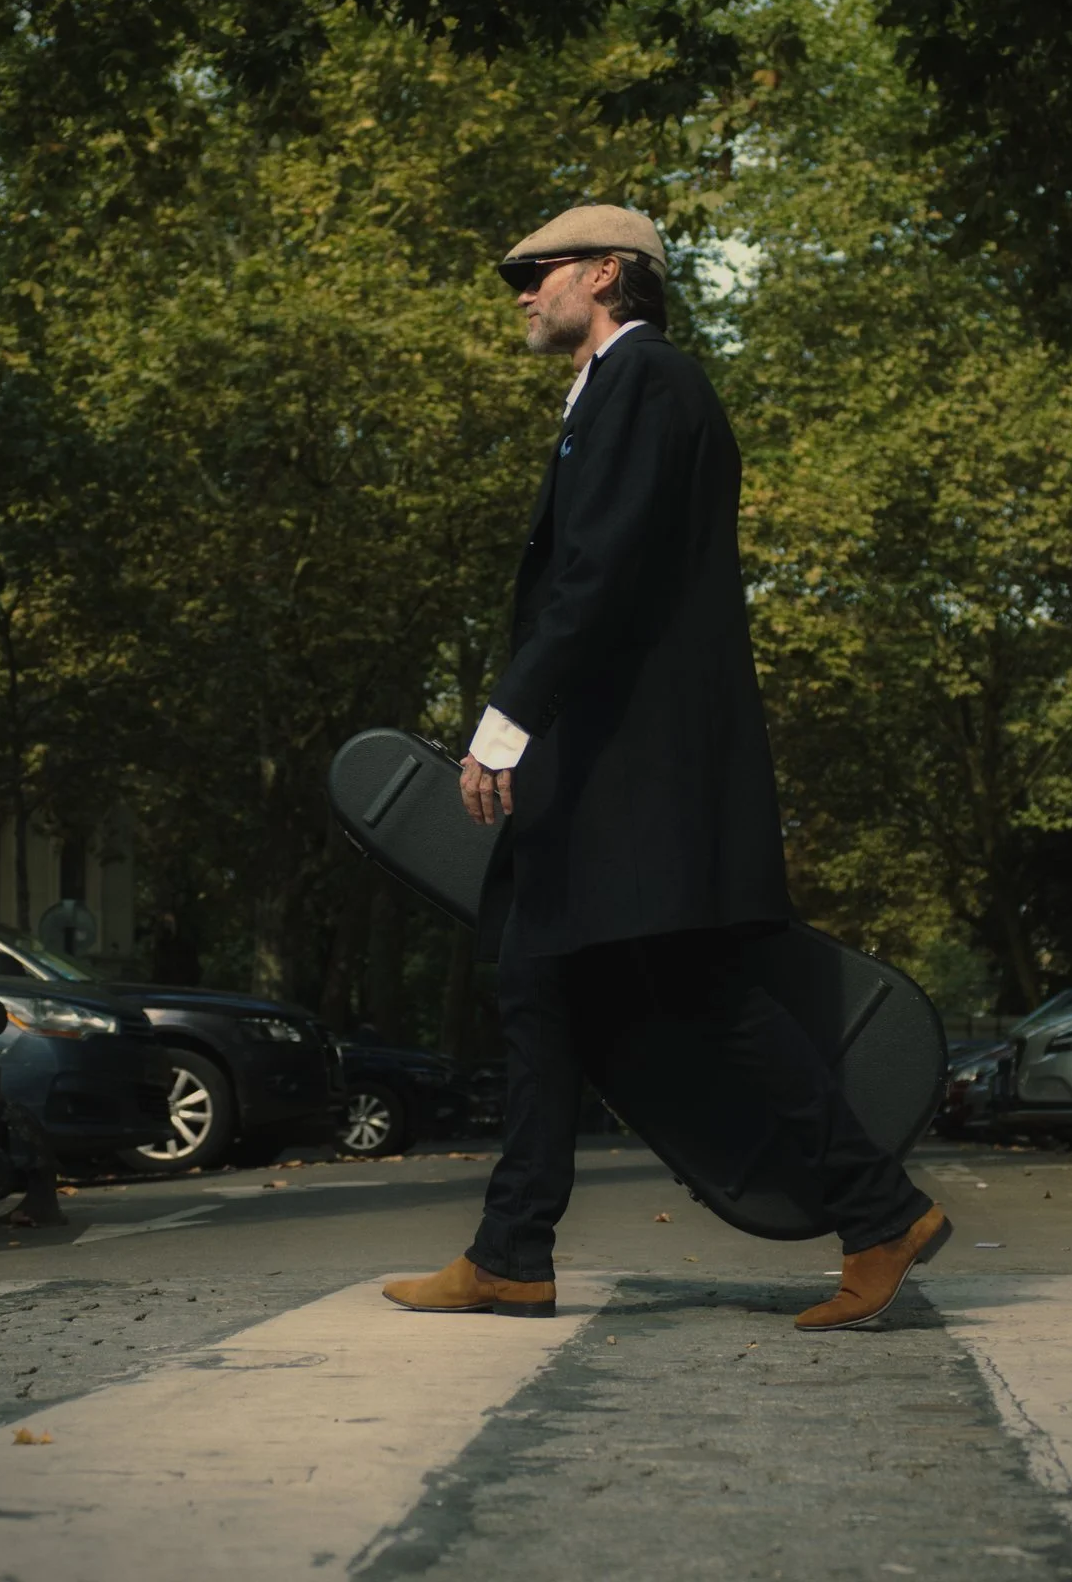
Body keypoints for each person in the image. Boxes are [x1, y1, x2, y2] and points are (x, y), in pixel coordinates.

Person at [382, 205, 947, 1332]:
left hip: (632, 772)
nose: (520, 292)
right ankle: (511, 1253)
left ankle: (878, 1209)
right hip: (603, 773)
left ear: (607, 272)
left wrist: (505, 719)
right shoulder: (614, 391)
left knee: (697, 993)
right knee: (537, 987)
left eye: (534, 271)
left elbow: (599, 569)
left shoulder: (650, 381)